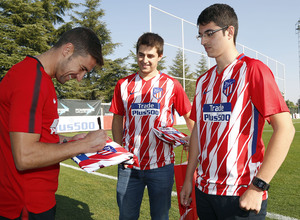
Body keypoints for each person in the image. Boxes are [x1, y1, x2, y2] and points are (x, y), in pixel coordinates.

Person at [180, 3, 295, 220]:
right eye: (200, 35)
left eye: (209, 33)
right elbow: (198, 133)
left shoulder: (254, 70)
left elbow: (286, 129)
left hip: (241, 193)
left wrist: (258, 187)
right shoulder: (203, 81)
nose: (203, 41)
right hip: (204, 191)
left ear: (229, 31)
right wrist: (189, 179)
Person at [0, 27, 108, 219]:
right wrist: (84, 145)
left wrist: (70, 141)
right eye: (82, 69)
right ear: (67, 50)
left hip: (35, 201)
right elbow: (25, 156)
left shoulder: (40, 78)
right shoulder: (31, 79)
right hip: (25, 206)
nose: (80, 78)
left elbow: (37, 137)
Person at [109, 32, 194, 220]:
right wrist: (118, 150)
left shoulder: (171, 84)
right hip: (129, 165)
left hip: (162, 166)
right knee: (126, 216)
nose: (144, 60)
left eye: (150, 56)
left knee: (160, 217)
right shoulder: (123, 84)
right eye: (141, 54)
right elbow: (117, 118)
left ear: (160, 56)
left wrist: (192, 139)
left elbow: (190, 116)